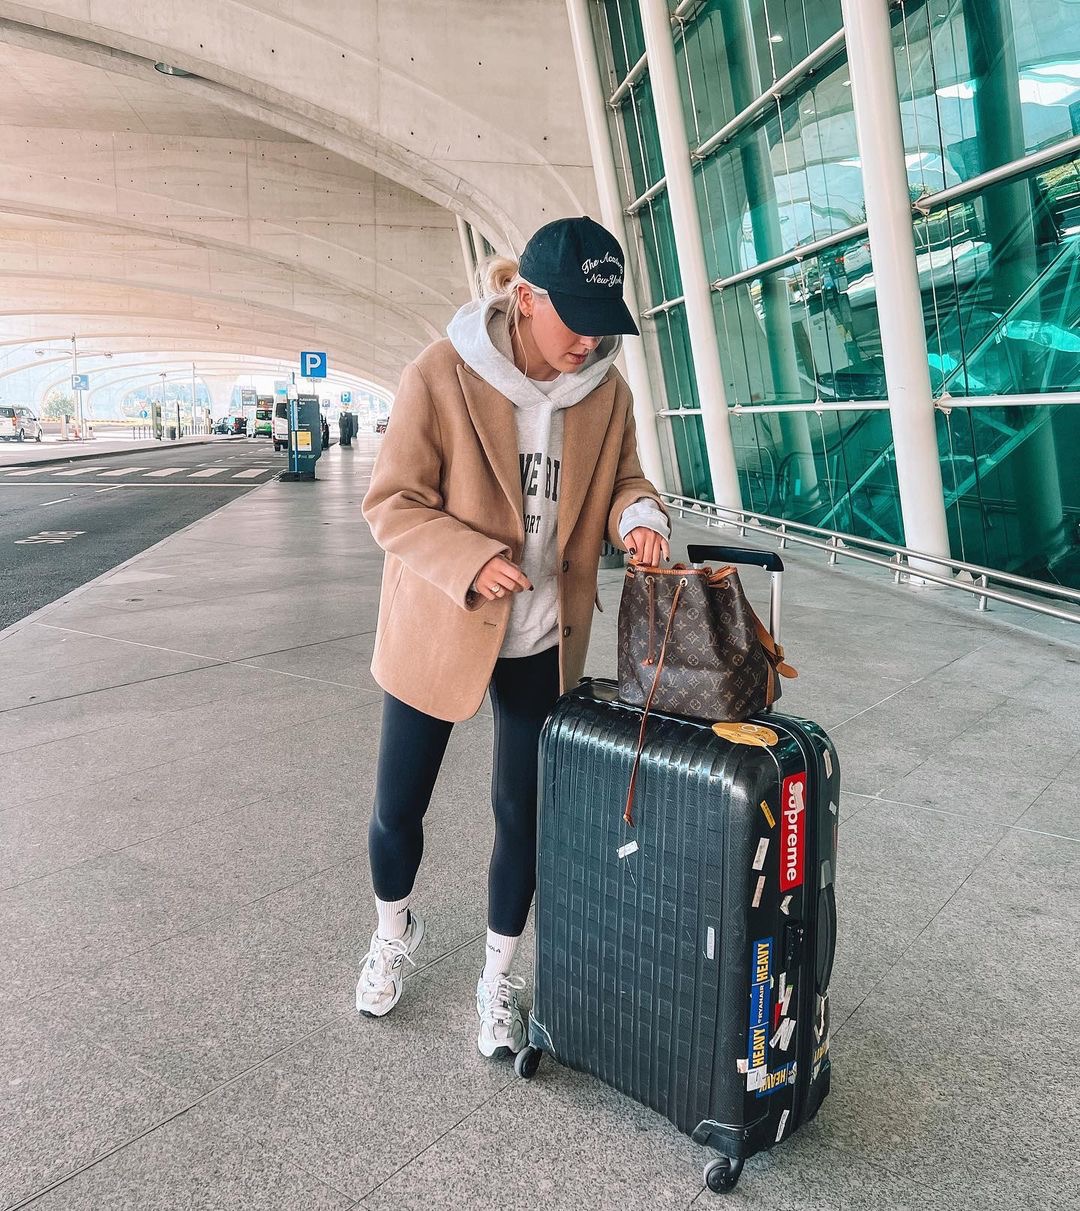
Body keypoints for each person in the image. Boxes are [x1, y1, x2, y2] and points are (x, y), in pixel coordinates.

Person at [359, 216, 671, 1057]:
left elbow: (628, 477)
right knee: (399, 806)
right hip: (443, 620)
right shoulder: (442, 373)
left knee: (523, 814)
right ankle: (393, 932)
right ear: (525, 298)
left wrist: (639, 515)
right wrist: (470, 559)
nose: (589, 339)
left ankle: (499, 974)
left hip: (541, 634)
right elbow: (392, 502)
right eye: (573, 315)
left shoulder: (606, 394)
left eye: (603, 321)